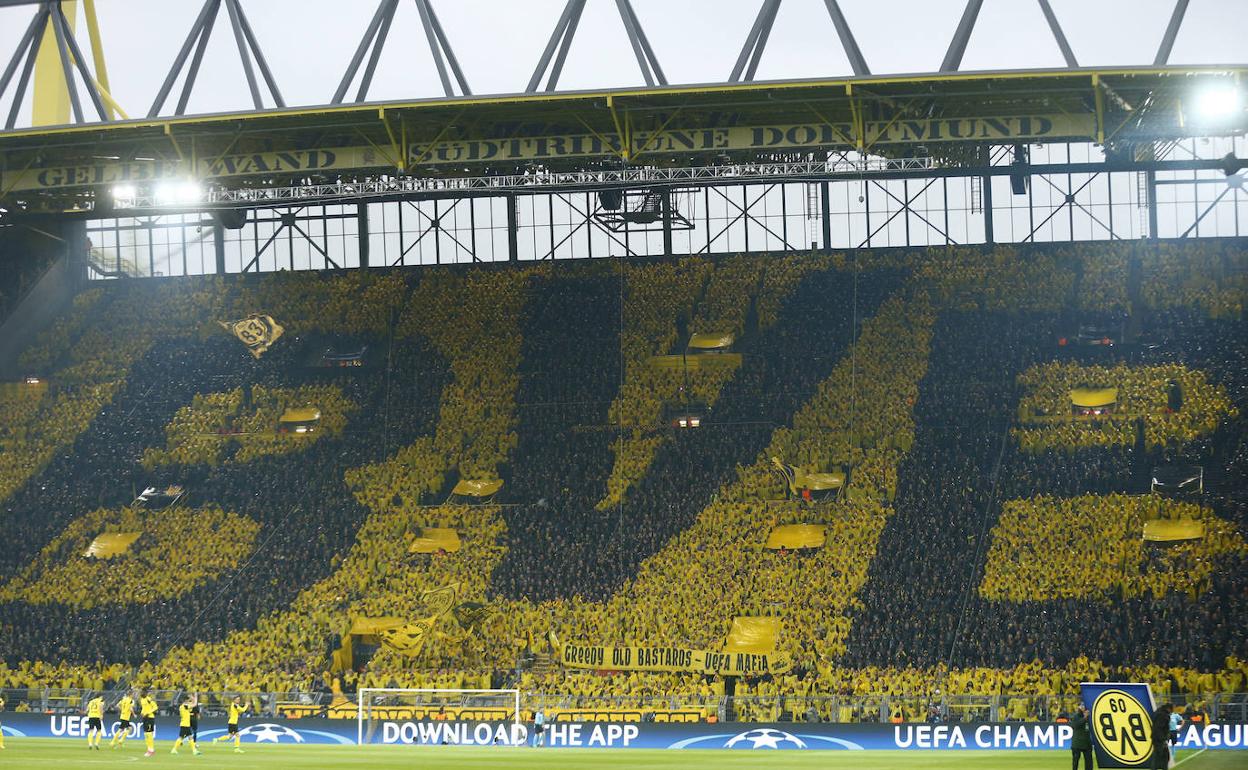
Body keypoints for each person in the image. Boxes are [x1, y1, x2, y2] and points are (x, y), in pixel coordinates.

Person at [1070, 704, 1094, 770]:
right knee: (1075, 762)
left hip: (1087, 743)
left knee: (1089, 762)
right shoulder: (1076, 716)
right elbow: (1075, 725)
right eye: (1082, 706)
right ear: (1079, 707)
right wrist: (1084, 718)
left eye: (1084, 706)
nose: (1083, 708)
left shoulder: (1090, 717)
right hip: (1077, 743)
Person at [1150, 703, 1172, 770]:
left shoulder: (1158, 712)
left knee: (1159, 756)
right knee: (1161, 756)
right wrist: (1163, 739)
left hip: (1156, 738)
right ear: (1169, 709)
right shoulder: (1163, 715)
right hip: (1160, 739)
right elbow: (1159, 728)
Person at [139, 689, 158, 757]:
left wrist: (148, 713)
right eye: (141, 692)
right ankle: (149, 749)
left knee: (149, 733)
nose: (141, 693)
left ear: (146, 693)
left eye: (142, 692)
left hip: (150, 718)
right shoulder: (142, 700)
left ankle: (151, 750)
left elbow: (155, 707)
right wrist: (142, 712)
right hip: (145, 718)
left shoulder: (149, 699)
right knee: (146, 734)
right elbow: (143, 708)